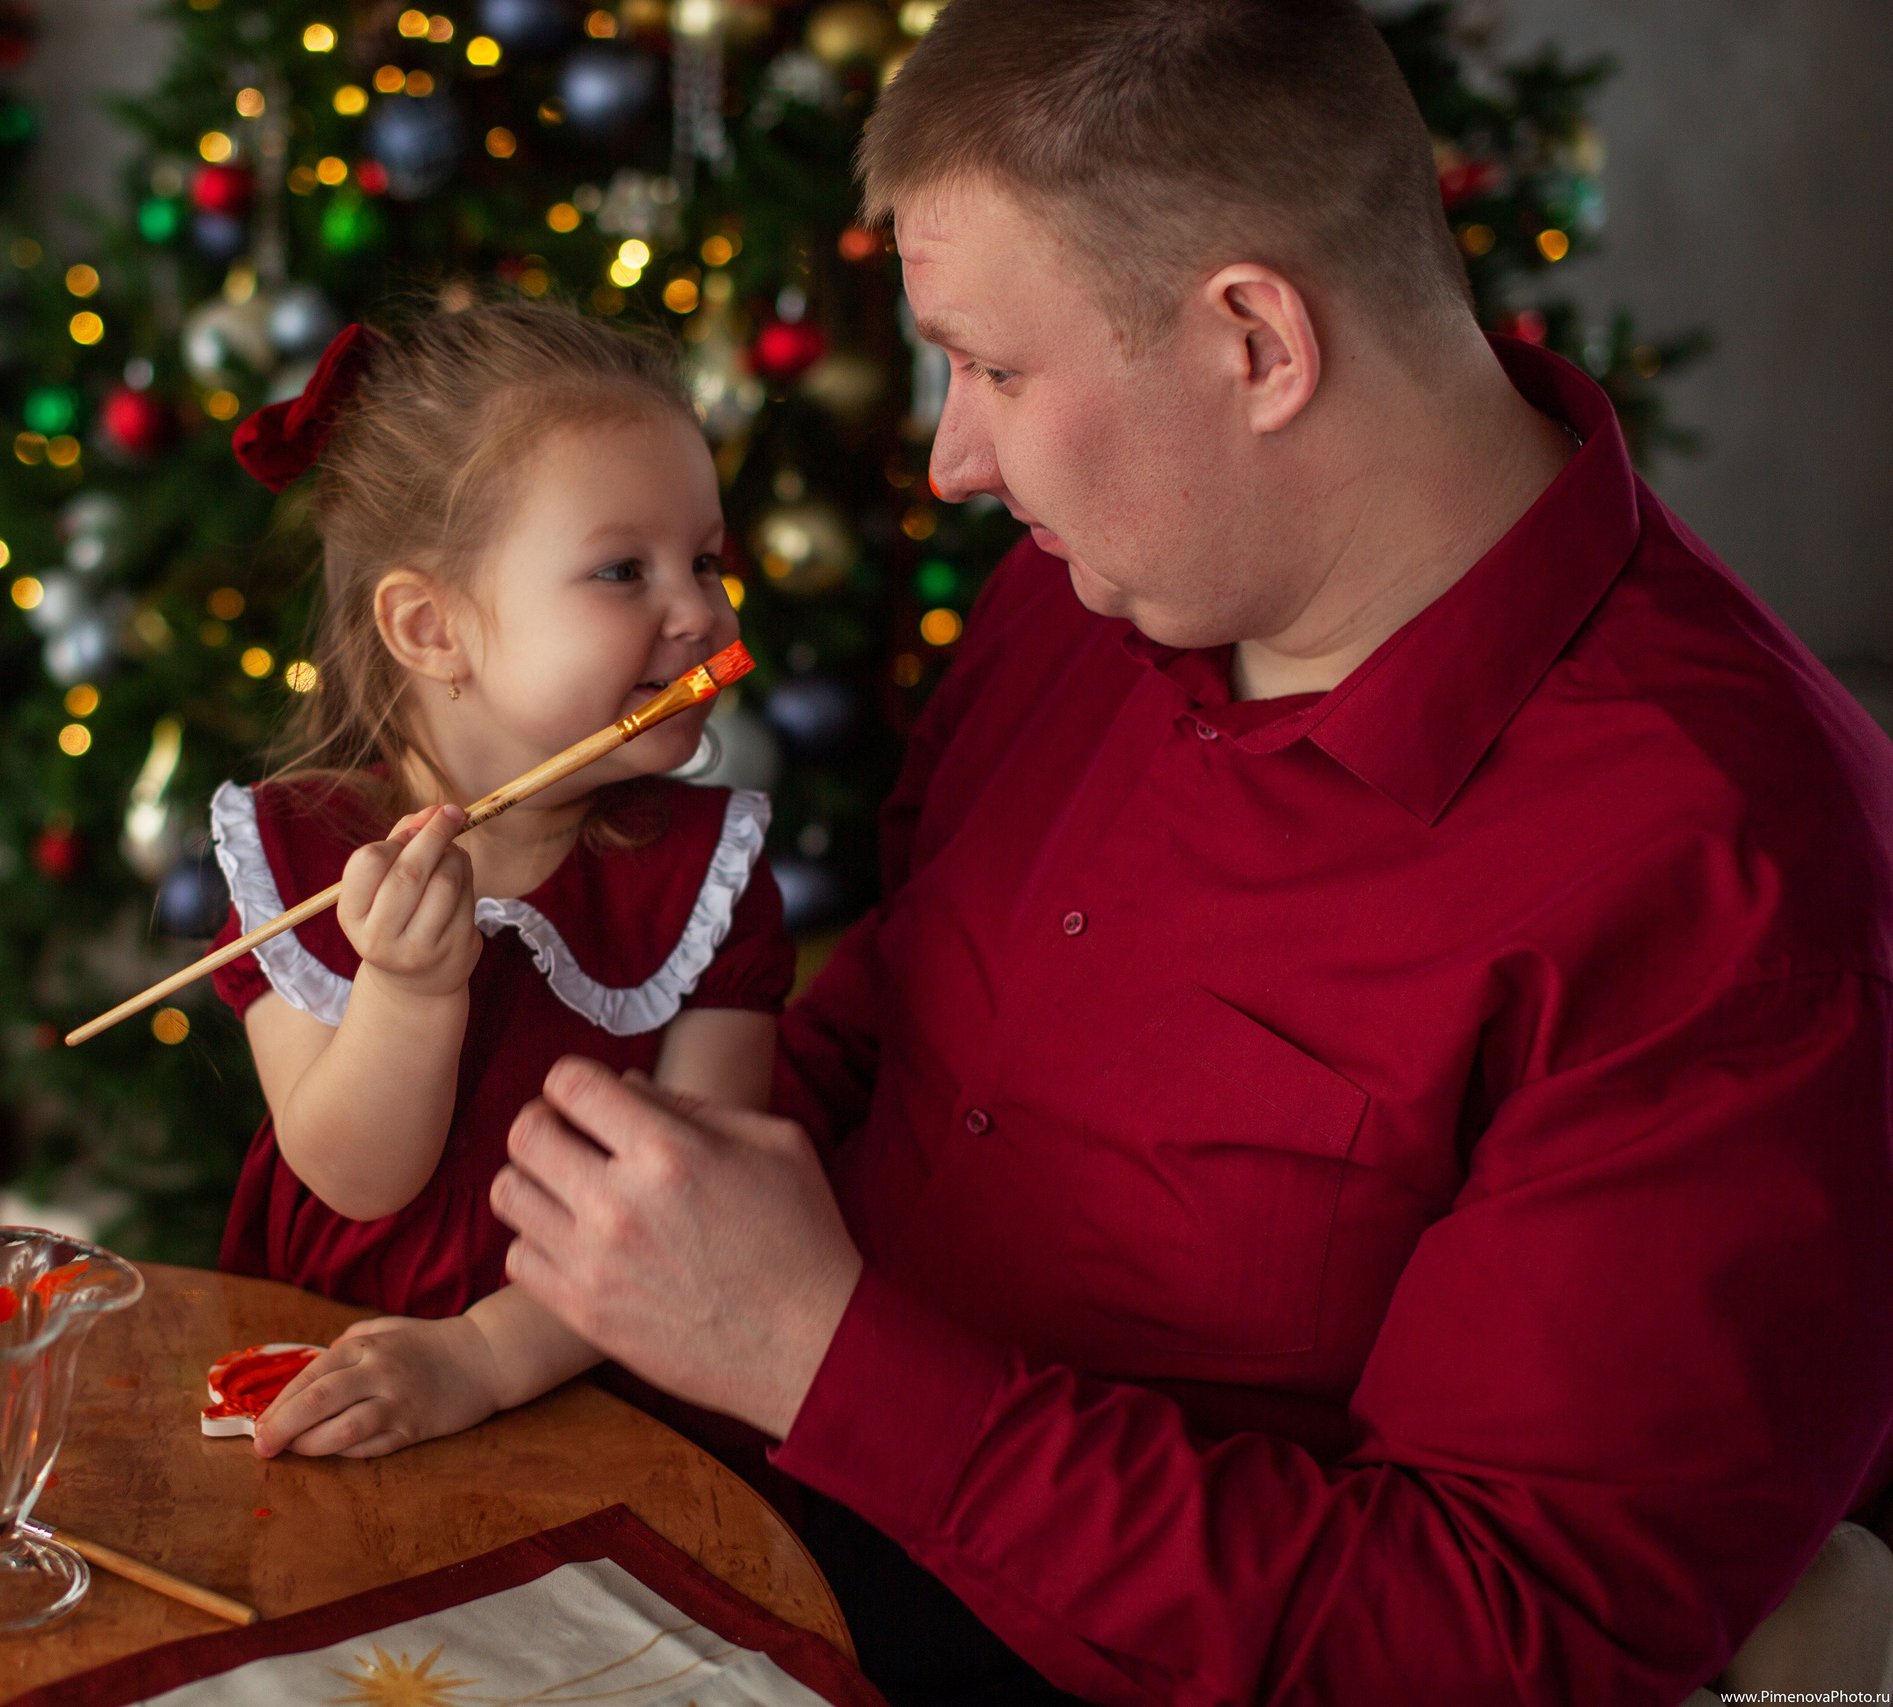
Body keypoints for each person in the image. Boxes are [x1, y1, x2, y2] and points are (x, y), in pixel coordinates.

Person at [485, 1, 1893, 1702]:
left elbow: (1504, 1643)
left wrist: (820, 1357)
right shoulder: (1089, 596)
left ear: (1254, 345)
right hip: (731, 1539)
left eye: (996, 366)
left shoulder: (1736, 876)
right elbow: (901, 1033)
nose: (954, 458)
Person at [199, 304, 795, 1460]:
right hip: (333, 1381)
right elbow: (354, 1178)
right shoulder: (296, 852)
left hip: (601, 1398)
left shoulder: (711, 877)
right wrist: (408, 994)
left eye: (707, 560)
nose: (705, 611)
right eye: (625, 570)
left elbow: (695, 1219)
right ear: (431, 628)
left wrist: (482, 1356)